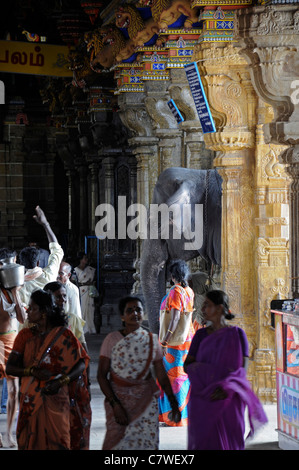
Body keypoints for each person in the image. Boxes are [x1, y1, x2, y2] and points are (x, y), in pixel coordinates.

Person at [6, 289, 90, 450]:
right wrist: (31, 371)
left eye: (32, 308)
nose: (28, 311)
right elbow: (10, 367)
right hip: (30, 400)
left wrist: (61, 381)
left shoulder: (64, 335)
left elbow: (81, 362)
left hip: (58, 399)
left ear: (44, 312)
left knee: (59, 441)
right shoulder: (25, 336)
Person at [184, 289, 268, 450]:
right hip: (203, 398)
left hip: (229, 399)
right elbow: (187, 366)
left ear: (220, 308)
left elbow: (242, 370)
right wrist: (207, 374)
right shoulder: (200, 335)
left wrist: (226, 387)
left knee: (231, 442)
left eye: (207, 305)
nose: (202, 310)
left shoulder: (237, 335)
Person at [97, 295, 181, 450]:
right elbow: (102, 376)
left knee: (146, 443)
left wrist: (174, 403)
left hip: (146, 403)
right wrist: (114, 404)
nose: (135, 313)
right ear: (122, 316)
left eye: (138, 310)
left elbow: (161, 375)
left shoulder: (151, 339)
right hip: (120, 401)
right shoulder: (112, 339)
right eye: (130, 310)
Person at [44, 282, 91, 450]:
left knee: (75, 427)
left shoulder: (73, 319)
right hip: (48, 382)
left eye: (64, 296)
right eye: (58, 296)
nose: (62, 300)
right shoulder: (39, 323)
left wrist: (88, 384)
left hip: (73, 379)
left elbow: (83, 352)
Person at [158, 260, 194, 427]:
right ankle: (183, 415)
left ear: (173, 277)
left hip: (174, 343)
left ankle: (174, 418)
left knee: (173, 377)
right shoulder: (189, 291)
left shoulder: (176, 292)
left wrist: (165, 340)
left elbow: (175, 318)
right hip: (187, 340)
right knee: (182, 376)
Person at [0, 248, 26, 448]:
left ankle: (9, 433)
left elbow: (22, 318)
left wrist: (16, 293)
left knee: (13, 390)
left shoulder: (12, 291)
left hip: (12, 340)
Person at [18, 206, 64, 310]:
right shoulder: (49, 275)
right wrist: (46, 224)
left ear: (21, 264)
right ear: (38, 262)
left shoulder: (18, 287)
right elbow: (57, 251)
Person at [74, 252, 97, 334]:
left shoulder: (90, 269)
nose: (86, 260)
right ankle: (83, 328)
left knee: (90, 309)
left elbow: (93, 280)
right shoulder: (75, 270)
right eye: (84, 258)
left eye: (87, 258)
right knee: (82, 308)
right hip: (81, 290)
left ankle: (91, 328)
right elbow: (75, 282)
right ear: (80, 260)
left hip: (89, 291)